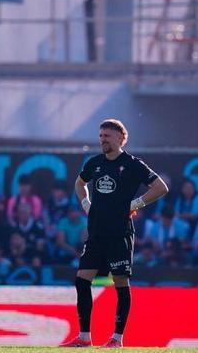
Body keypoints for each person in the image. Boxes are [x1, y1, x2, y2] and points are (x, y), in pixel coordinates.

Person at [62, 119, 168, 348]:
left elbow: (161, 187)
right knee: (82, 281)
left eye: (107, 136)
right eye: (101, 136)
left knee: (120, 283)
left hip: (119, 232)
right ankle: (84, 337)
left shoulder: (132, 164)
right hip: (97, 233)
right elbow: (79, 183)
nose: (102, 140)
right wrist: (86, 203)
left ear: (121, 138)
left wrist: (136, 203)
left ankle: (117, 339)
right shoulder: (95, 163)